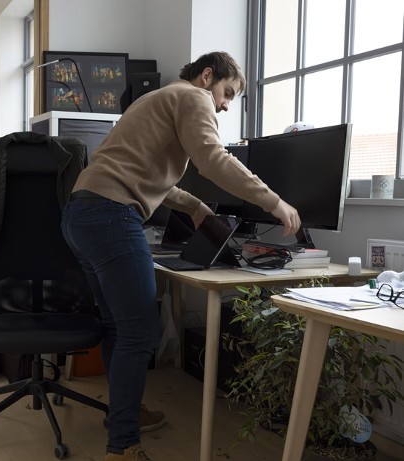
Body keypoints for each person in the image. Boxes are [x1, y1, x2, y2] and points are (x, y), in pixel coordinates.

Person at [60, 51, 301, 461]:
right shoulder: (193, 98)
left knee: (120, 327)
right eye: (227, 93)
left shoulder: (157, 98)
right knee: (139, 332)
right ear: (207, 76)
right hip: (112, 215)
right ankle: (122, 447)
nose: (225, 104)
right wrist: (274, 202)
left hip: (82, 214)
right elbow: (213, 159)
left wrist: (191, 205)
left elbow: (143, 172)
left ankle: (124, 416)